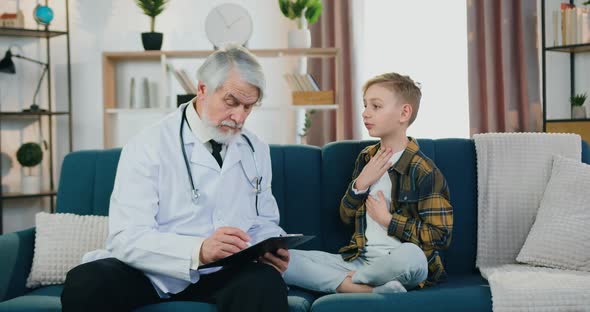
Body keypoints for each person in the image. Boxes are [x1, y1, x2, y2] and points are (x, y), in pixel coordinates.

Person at [61, 44, 290, 312]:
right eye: (231, 102)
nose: (239, 117)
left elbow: (263, 220)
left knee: (265, 283)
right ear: (202, 89)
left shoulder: (255, 149)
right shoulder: (149, 143)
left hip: (224, 272)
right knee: (87, 282)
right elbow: (126, 237)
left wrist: (271, 245)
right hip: (151, 272)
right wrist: (199, 250)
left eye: (248, 107)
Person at [284, 72, 453, 294]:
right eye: (365, 105)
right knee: (281, 259)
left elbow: (441, 235)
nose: (365, 113)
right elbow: (345, 217)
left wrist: (388, 220)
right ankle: (372, 289)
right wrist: (361, 184)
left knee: (412, 256)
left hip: (402, 263)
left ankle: (353, 282)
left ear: (404, 113)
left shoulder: (424, 170)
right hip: (359, 260)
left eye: (376, 106)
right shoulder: (366, 158)